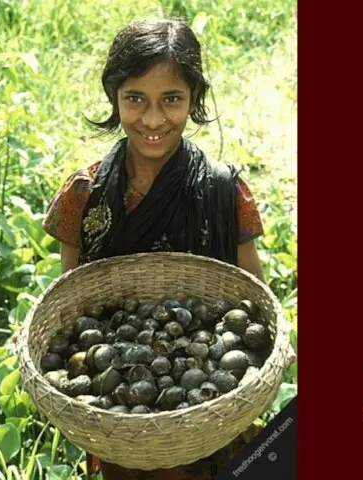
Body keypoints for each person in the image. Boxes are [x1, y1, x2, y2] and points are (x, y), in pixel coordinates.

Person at [42, 17, 266, 480]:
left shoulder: (225, 192)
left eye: (172, 99)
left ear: (193, 99)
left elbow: (254, 299)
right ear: (114, 98)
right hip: (120, 425)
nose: (152, 119)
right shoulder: (84, 195)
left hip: (209, 422)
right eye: (135, 99)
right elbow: (72, 301)